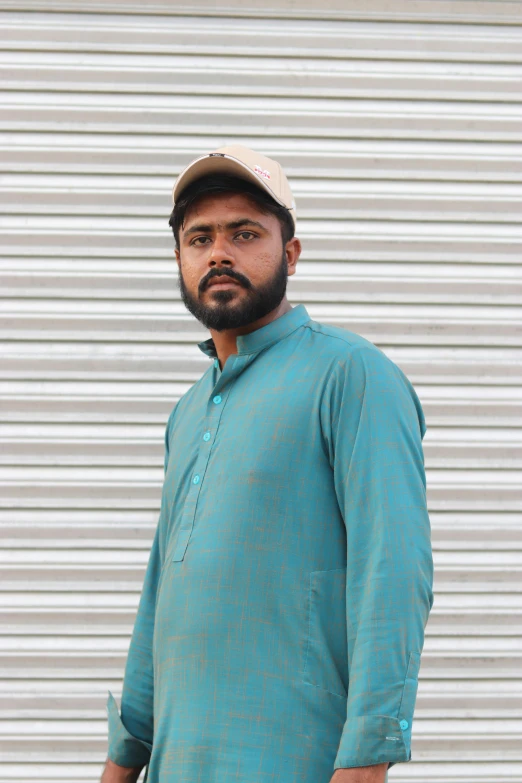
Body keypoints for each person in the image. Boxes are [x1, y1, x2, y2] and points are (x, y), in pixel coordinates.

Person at [101, 145, 434, 783]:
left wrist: (368, 760)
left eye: (245, 233)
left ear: (292, 253)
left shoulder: (352, 375)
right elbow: (158, 599)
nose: (219, 252)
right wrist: (123, 759)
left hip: (295, 760)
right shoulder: (190, 409)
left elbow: (393, 572)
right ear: (178, 260)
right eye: (199, 238)